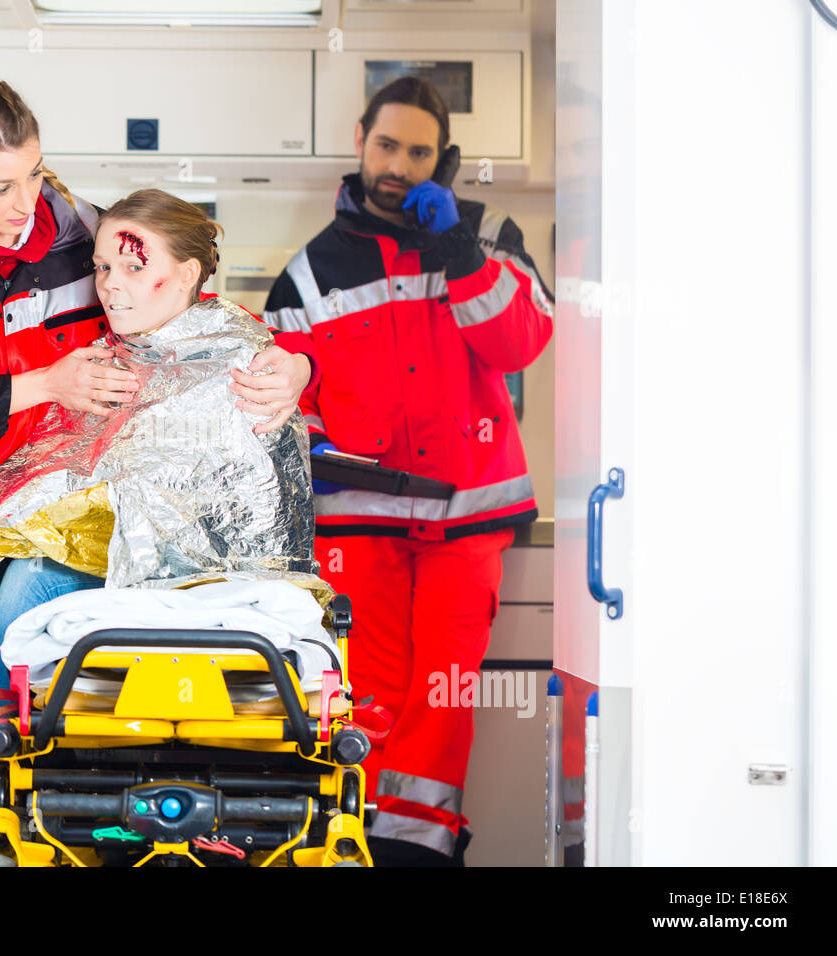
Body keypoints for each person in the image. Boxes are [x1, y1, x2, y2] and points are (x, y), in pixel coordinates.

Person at [0, 78, 316, 822]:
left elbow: (186, 312)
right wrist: (41, 384)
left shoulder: (84, 235)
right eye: (1, 186)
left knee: (20, 771)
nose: (27, 200)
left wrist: (297, 368)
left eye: (35, 171)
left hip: (28, 535)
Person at [263, 76, 554, 866]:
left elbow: (520, 342)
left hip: (467, 518)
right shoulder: (311, 273)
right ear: (361, 137)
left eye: (419, 151)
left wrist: (457, 251)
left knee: (445, 695)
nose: (399, 165)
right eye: (387, 145)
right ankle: (355, 848)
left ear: (442, 157)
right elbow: (286, 405)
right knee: (367, 697)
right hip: (362, 522)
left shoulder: (488, 233)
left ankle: (418, 853)